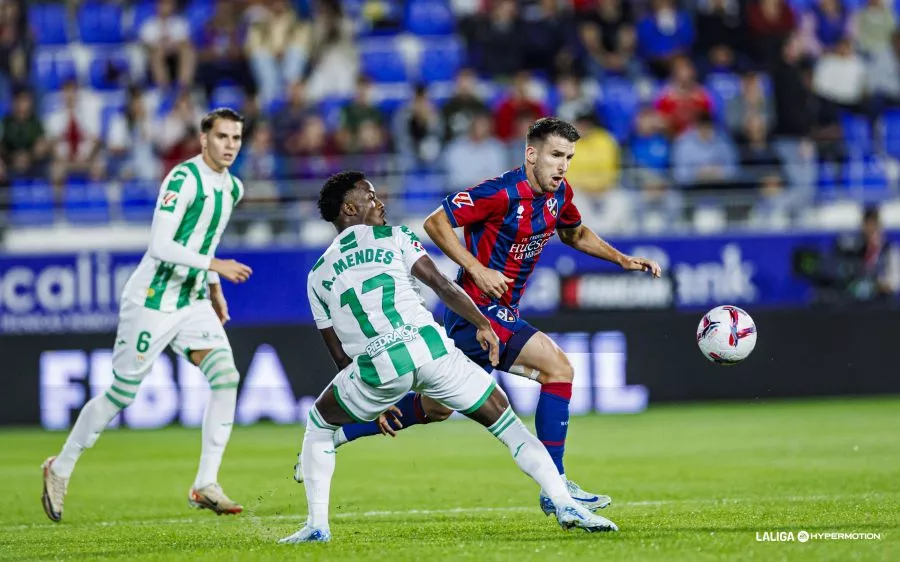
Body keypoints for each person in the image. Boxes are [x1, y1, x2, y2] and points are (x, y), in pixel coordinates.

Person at [313, 118, 662, 517]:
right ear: (531, 154)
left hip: (499, 313)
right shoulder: (498, 192)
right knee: (558, 368)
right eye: (555, 155)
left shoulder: (559, 194)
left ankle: (339, 432)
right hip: (477, 311)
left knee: (435, 408)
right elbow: (435, 222)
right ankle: (556, 484)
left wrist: (621, 259)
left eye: (568, 157)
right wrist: (475, 268)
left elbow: (575, 233)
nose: (563, 165)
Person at [280, 172, 619, 544]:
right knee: (508, 425)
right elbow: (443, 286)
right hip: (432, 350)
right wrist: (482, 324)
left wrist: (372, 401)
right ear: (349, 208)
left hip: (377, 367)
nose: (380, 203)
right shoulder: (395, 237)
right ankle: (563, 502)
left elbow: (340, 357)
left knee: (318, 424)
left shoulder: (317, 276)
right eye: (371, 197)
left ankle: (317, 526)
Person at [41, 108, 254, 522]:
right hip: (153, 300)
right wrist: (218, 268)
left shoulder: (233, 188)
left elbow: (204, 239)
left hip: (191, 300)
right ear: (204, 139)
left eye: (236, 138)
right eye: (223, 137)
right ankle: (60, 466)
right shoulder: (182, 179)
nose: (230, 145)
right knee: (121, 395)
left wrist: (213, 289)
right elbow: (160, 244)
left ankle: (205, 482)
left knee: (227, 376)